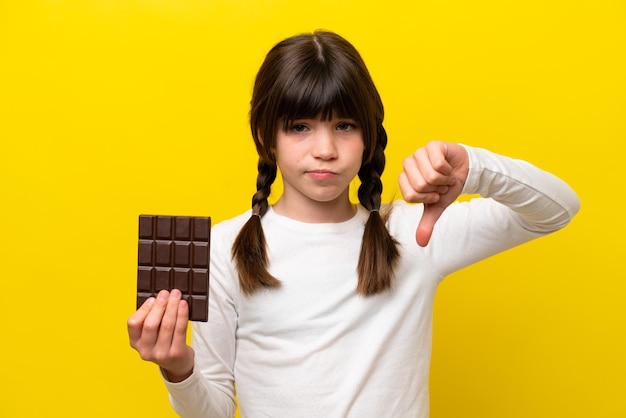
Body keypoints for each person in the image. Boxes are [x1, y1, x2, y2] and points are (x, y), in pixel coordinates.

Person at [127, 30, 580, 418]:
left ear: (369, 135)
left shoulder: (413, 233)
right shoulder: (224, 249)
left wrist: (473, 168)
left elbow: (559, 208)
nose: (325, 148)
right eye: (299, 127)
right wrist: (179, 368)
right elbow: (216, 410)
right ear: (266, 137)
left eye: (344, 125)